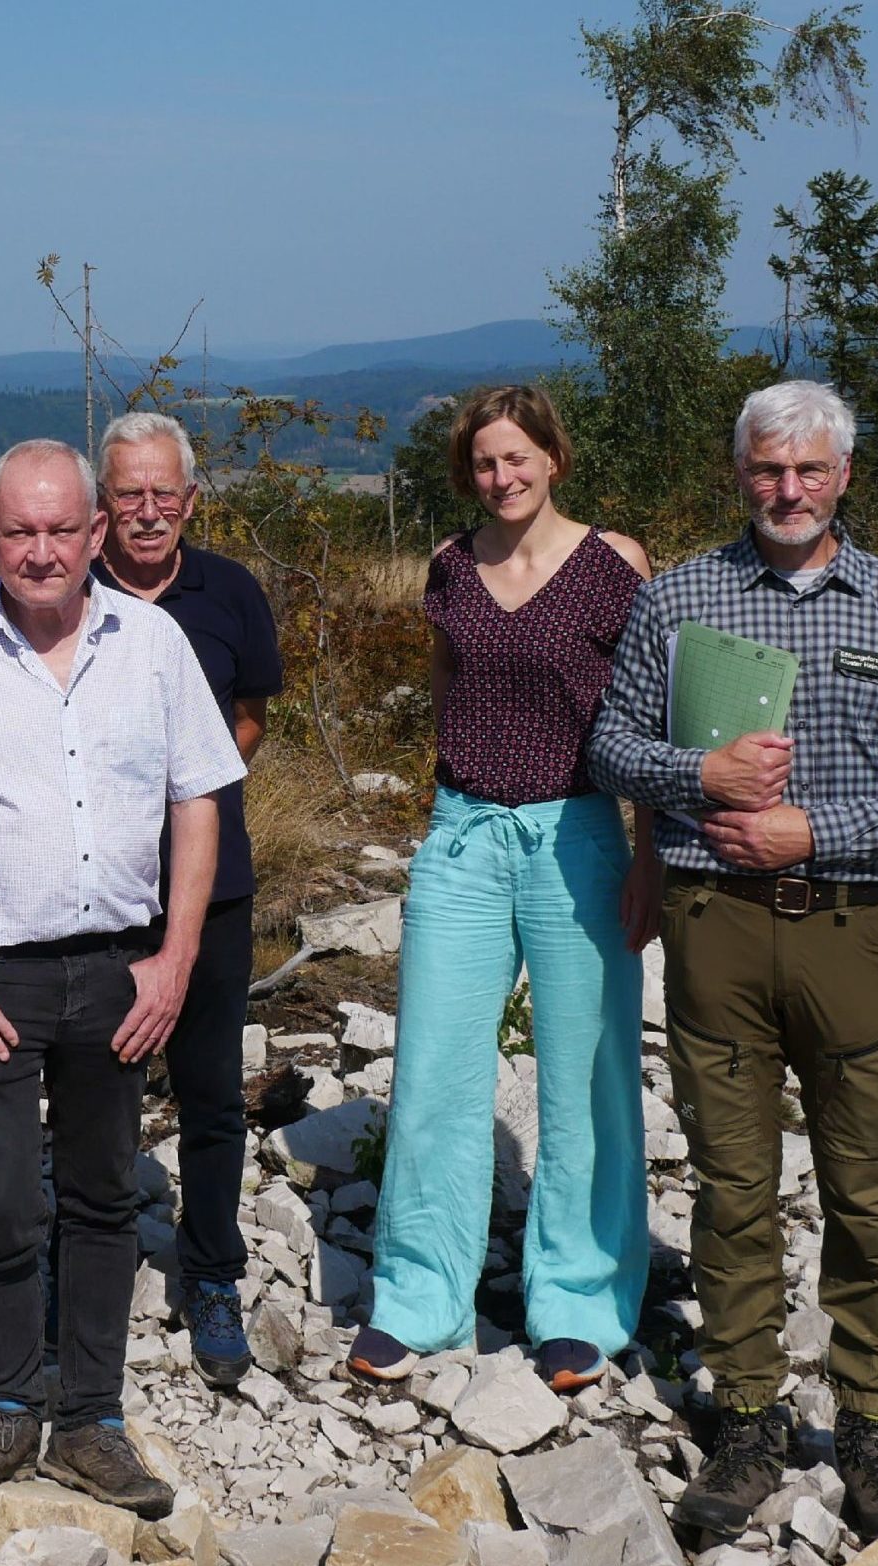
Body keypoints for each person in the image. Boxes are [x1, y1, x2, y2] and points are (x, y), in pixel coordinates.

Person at [589, 379, 878, 1543]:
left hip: (849, 927)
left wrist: (817, 827)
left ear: (844, 477)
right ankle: (749, 1419)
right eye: (768, 469)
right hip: (715, 925)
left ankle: (870, 1427)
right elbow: (611, 742)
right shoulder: (678, 600)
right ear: (739, 472)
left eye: (810, 470)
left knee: (867, 1188)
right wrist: (698, 779)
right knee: (731, 1187)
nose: (788, 490)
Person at [0, 438, 243, 1517]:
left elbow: (197, 799)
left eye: (61, 529)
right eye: (18, 531)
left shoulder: (154, 642)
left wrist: (174, 957)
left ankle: (92, 1420)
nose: (41, 552)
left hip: (119, 967)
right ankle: (7, 1404)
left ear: (96, 532)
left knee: (104, 1194)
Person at [350, 385, 656, 1396]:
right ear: (466, 472)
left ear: (554, 458)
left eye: (518, 456)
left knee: (587, 1076)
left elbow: (650, 716)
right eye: (484, 461)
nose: (502, 475)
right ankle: (415, 1295)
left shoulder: (616, 566)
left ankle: (577, 1300)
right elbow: (447, 679)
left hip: (579, 832)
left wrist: (650, 851)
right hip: (467, 831)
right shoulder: (447, 565)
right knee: (435, 1069)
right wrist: (449, 785)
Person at [88, 411, 283, 1389]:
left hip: (215, 886)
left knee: (209, 1093)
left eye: (166, 493)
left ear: (192, 499)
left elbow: (249, 711)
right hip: (94, 895)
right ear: (103, 501)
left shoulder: (231, 594)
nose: (149, 510)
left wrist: (191, 783)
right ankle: (93, 1272)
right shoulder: (66, 597)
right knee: (99, 1094)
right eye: (130, 493)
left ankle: (210, 1273)